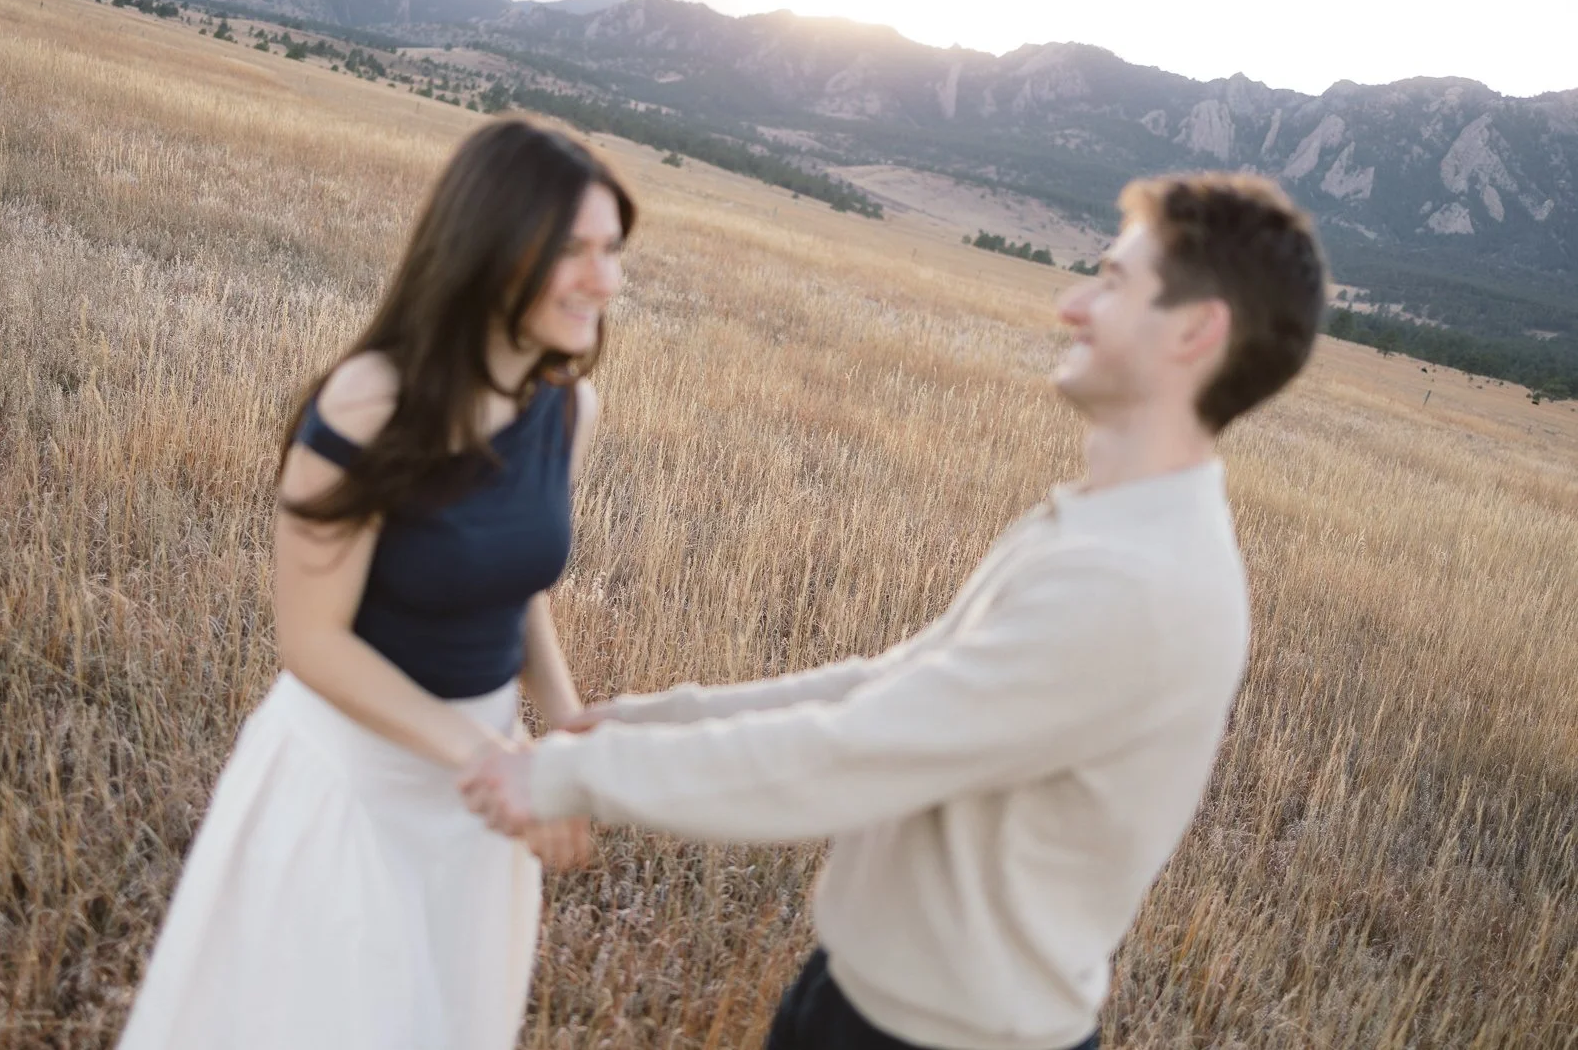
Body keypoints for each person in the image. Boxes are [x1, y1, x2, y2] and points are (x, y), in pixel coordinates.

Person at [462, 173, 1327, 1050]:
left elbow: (853, 751)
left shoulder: (1132, 582)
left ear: (1195, 331)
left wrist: (562, 777)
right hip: (868, 1002)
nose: (1071, 305)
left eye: (1111, 281)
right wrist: (637, 721)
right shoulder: (1105, 527)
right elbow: (888, 685)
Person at [118, 117, 635, 1050]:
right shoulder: (368, 402)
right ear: (491, 246)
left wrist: (564, 717)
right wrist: (493, 758)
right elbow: (311, 641)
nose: (606, 279)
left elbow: (514, 582)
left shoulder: (570, 408)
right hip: (350, 786)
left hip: (474, 800)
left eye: (612, 249)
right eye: (574, 250)